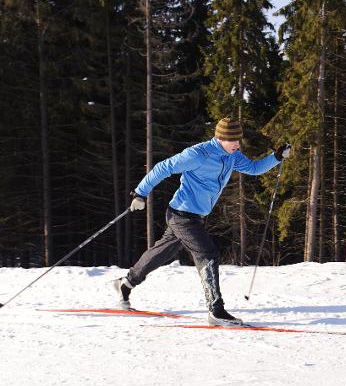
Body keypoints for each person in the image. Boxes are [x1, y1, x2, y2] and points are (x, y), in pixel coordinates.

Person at [112, 117, 291, 326]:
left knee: (163, 253)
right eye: (233, 140)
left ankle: (126, 284)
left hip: (194, 216)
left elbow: (253, 168)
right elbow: (163, 167)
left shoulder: (232, 156)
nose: (237, 144)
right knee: (207, 255)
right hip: (181, 215)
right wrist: (140, 193)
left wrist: (276, 157)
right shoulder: (198, 154)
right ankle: (216, 311)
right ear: (220, 137)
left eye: (238, 140)